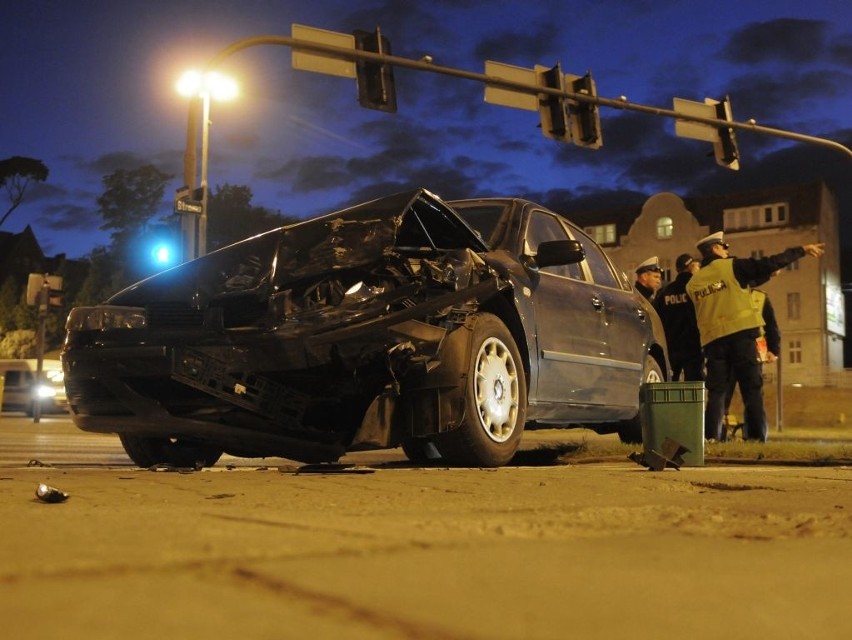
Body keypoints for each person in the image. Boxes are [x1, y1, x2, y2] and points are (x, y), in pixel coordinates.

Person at [686, 231, 824, 442]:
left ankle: (711, 439)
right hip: (741, 338)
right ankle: (757, 439)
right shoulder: (732, 266)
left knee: (717, 394)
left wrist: (766, 276)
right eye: (725, 246)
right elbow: (769, 262)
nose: (727, 250)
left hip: (713, 344)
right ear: (715, 248)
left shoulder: (693, 284)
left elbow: (732, 287)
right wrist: (801, 251)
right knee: (751, 391)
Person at [723, 281, 781, 438]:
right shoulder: (726, 296)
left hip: (750, 352)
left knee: (750, 396)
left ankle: (752, 435)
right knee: (737, 395)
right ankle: (727, 434)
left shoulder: (760, 297)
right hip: (733, 353)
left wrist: (773, 350)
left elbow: (771, 325)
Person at [653, 253, 703, 381]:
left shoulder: (665, 292)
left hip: (671, 346)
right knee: (694, 384)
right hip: (693, 346)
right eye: (697, 266)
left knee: (671, 385)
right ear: (690, 267)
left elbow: (657, 318)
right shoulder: (696, 289)